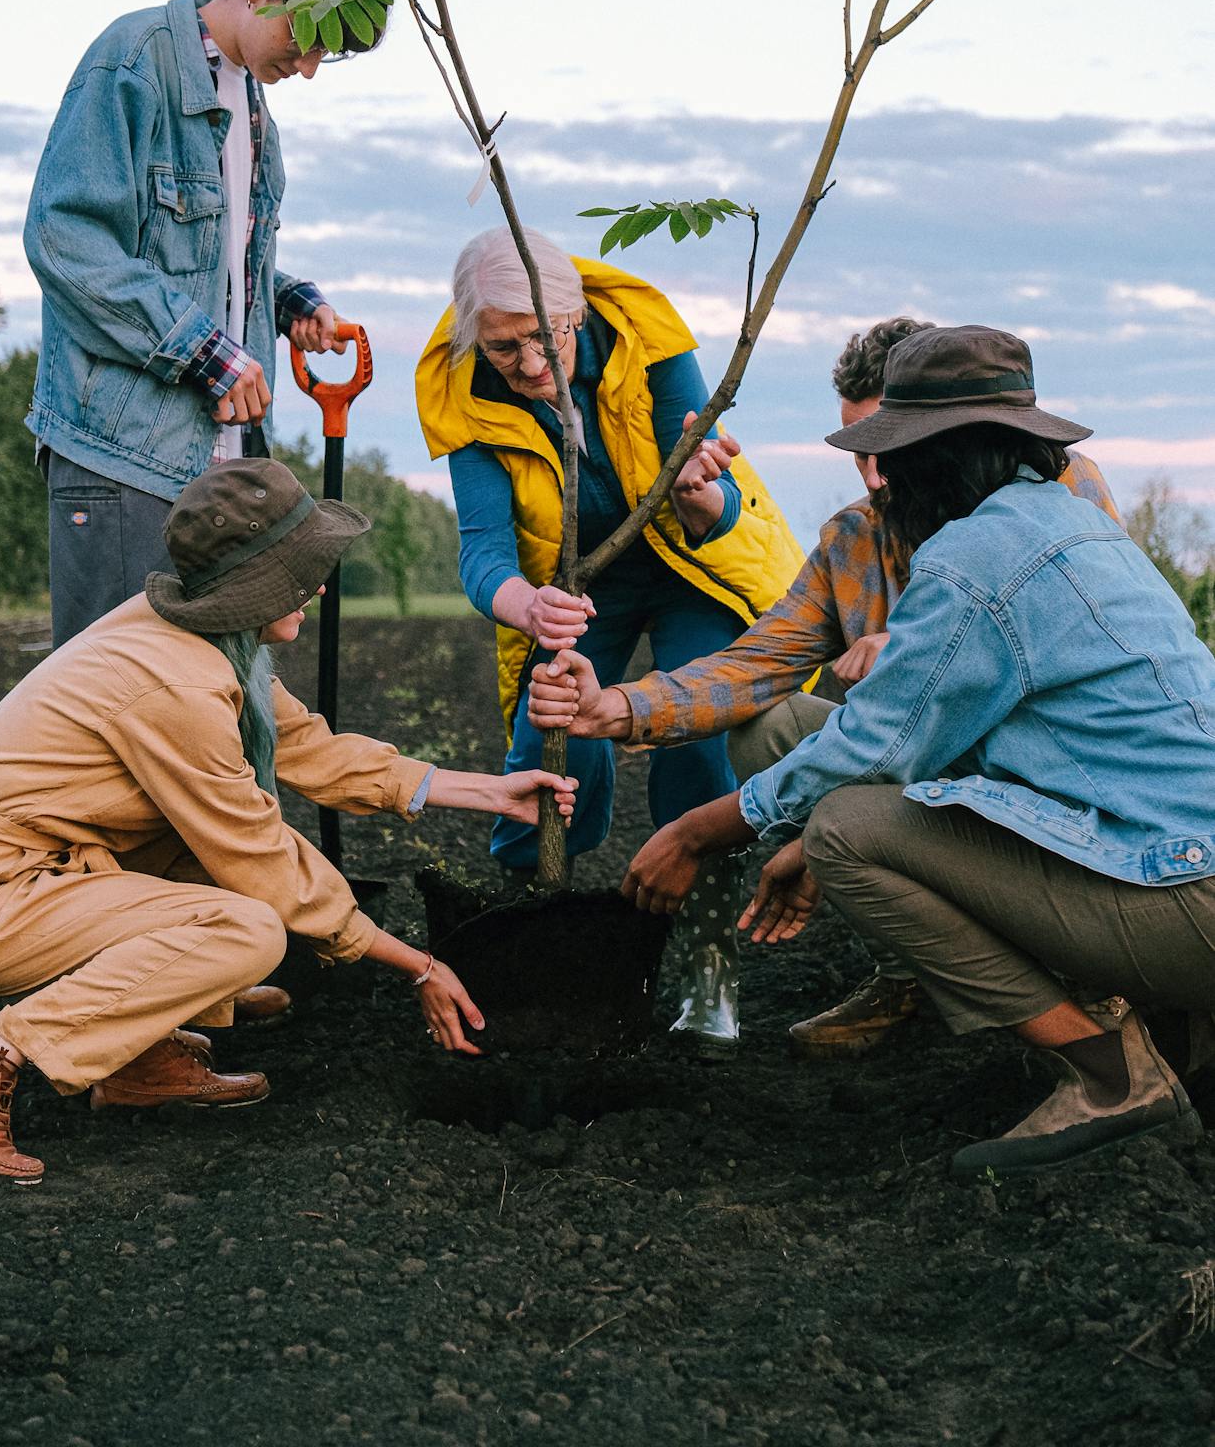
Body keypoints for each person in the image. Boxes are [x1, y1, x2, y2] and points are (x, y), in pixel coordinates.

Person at [617, 325, 1215, 1179]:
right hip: (1179, 857)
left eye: (895, 456)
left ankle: (1111, 1074)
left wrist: (700, 830)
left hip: (1188, 895)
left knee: (848, 833)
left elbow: (873, 748)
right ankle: (1178, 1031)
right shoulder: (1072, 526)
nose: (884, 479)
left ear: (941, 458)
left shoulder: (975, 557)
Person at [0, 460, 576, 1186]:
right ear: (259, 584)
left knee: (199, 864)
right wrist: (418, 965)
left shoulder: (210, 643)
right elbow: (257, 852)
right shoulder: (174, 683)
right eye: (304, 571)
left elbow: (311, 749)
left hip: (29, 869)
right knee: (244, 929)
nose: (320, 587)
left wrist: (492, 793)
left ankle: (134, 1056)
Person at [529, 316, 1121, 1058]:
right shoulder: (854, 538)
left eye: (891, 446)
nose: (876, 474)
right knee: (766, 726)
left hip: (1049, 779)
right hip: (912, 775)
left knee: (844, 816)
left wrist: (919, 646)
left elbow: (1072, 643)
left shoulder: (1057, 493)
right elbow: (755, 664)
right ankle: (906, 969)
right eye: (861, 450)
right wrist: (614, 706)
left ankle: (1095, 986)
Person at [415, 226, 804, 1040]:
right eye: (501, 347)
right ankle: (530, 931)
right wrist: (526, 605)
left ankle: (704, 968)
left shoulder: (648, 338)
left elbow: (713, 504)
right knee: (552, 734)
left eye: (539, 342)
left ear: (578, 314)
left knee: (693, 733)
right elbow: (482, 551)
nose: (524, 367)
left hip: (687, 567)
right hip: (572, 588)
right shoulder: (460, 388)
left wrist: (700, 493)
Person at [24, 0, 382, 648]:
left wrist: (289, 300)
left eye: (332, 54)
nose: (310, 68)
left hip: (223, 459)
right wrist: (205, 352)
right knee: (118, 699)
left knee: (217, 698)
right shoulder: (134, 59)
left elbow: (214, 260)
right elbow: (67, 238)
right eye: (308, 38)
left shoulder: (252, 105)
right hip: (124, 452)